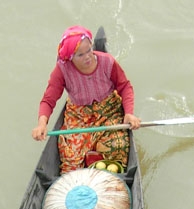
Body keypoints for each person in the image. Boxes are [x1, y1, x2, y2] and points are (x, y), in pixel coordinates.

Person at [32, 25, 141, 173]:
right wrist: (41, 124)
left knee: (118, 146)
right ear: (70, 57)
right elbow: (48, 100)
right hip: (79, 116)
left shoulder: (107, 62)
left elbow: (125, 86)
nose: (87, 57)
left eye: (89, 50)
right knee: (71, 162)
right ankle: (92, 156)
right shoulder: (62, 70)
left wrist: (129, 113)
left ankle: (95, 156)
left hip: (108, 110)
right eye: (80, 55)